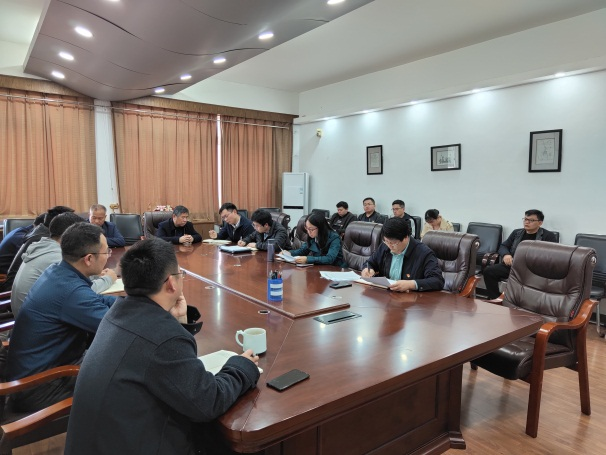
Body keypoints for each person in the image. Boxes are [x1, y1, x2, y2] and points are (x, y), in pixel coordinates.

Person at [64, 239, 260, 455]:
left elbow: (163, 361)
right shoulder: (162, 337)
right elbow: (208, 402)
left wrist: (177, 322)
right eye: (180, 273)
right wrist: (241, 366)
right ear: (171, 283)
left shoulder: (117, 313)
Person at [5, 223, 116, 412]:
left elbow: (97, 300)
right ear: (89, 259)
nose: (108, 256)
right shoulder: (70, 290)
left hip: (34, 371)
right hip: (40, 388)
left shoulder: (57, 271)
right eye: (107, 252)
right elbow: (118, 327)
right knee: (126, 371)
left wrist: (130, 304)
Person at [11, 213, 117, 317]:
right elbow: (81, 292)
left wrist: (95, 274)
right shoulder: (56, 257)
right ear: (68, 236)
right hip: (37, 318)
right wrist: (108, 279)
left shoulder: (45, 246)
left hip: (32, 314)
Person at [483, 209, 557, 299]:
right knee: (489, 271)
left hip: (533, 270)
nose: (526, 222)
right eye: (525, 219)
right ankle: (495, 299)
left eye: (531, 220)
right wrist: (506, 255)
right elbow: (503, 246)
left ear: (540, 223)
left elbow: (551, 256)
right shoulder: (517, 233)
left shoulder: (548, 236)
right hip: (513, 266)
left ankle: (524, 302)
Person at [361, 217, 444, 292]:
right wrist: (367, 269)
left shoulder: (424, 253)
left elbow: (437, 280)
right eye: (386, 241)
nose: (389, 246)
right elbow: (370, 263)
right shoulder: (385, 246)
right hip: (387, 297)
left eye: (393, 243)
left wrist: (411, 284)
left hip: (412, 300)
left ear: (405, 238)